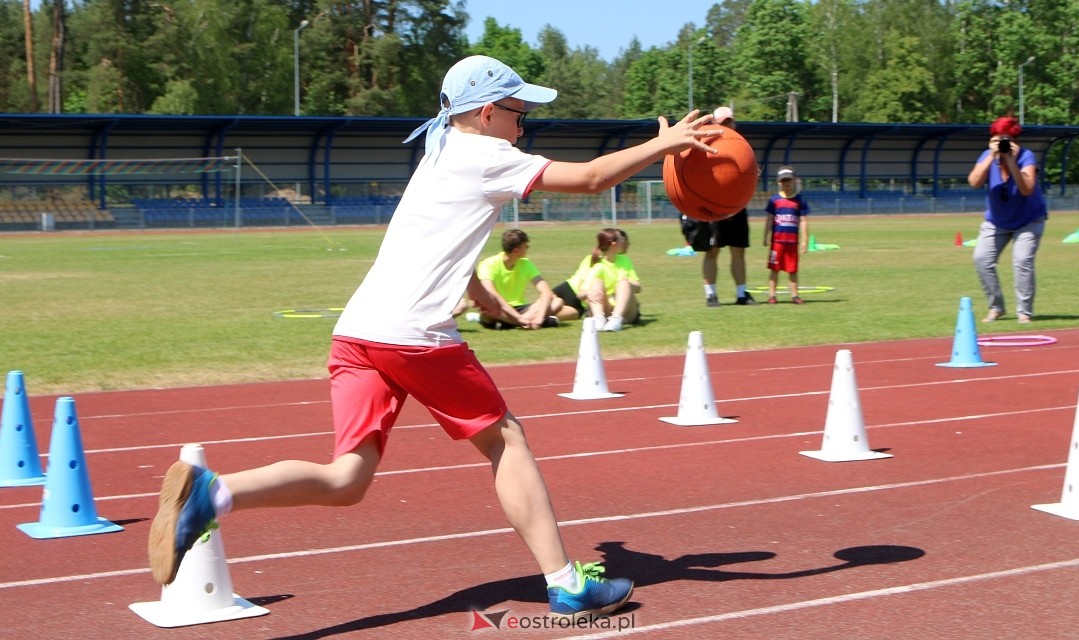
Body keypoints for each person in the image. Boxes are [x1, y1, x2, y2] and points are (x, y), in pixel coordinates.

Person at [147, 54, 720, 618]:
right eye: (519, 113)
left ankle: (212, 494)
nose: (524, 126)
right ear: (489, 111)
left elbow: (456, 257)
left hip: (357, 332)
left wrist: (491, 304)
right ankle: (567, 585)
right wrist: (661, 148)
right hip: (412, 335)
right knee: (506, 441)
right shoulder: (486, 154)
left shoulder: (441, 145)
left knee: (348, 479)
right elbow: (592, 179)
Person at [967, 115, 1047, 324]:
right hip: (997, 220)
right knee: (981, 259)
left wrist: (1011, 162)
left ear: (1014, 141)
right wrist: (990, 157)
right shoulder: (987, 155)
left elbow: (1027, 189)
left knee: (1022, 261)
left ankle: (1024, 312)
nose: (1001, 143)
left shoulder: (1026, 156)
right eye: (996, 138)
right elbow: (974, 182)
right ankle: (996, 307)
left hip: (1028, 219)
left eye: (1005, 139)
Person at [679, 106, 755, 307]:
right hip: (713, 203)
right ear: (715, 124)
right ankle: (711, 294)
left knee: (738, 250)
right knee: (712, 250)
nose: (728, 125)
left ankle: (742, 294)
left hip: (737, 203)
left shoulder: (740, 145)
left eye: (731, 121)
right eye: (724, 122)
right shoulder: (703, 143)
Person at [550, 228, 640, 330]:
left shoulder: (625, 261)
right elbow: (581, 294)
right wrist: (589, 292)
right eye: (621, 239)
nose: (624, 241)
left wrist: (627, 285)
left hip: (627, 311)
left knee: (623, 283)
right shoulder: (598, 265)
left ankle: (616, 319)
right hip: (606, 307)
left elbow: (638, 287)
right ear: (614, 244)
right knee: (597, 283)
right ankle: (599, 319)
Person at [475, 228, 562, 329]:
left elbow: (546, 292)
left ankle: (509, 324)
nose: (528, 248)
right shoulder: (488, 264)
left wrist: (539, 318)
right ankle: (524, 322)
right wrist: (518, 317)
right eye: (526, 246)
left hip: (520, 309)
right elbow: (492, 294)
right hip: (499, 307)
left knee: (557, 301)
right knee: (487, 309)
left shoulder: (526, 263)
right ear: (516, 251)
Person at [762, 167, 810, 304]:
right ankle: (772, 295)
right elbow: (769, 220)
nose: (786, 183)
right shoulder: (774, 200)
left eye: (788, 180)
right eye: (783, 181)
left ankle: (794, 295)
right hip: (777, 242)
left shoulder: (799, 201)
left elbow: (803, 221)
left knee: (792, 270)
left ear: (794, 180)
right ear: (779, 182)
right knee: (774, 269)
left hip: (792, 242)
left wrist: (804, 241)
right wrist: (765, 236)